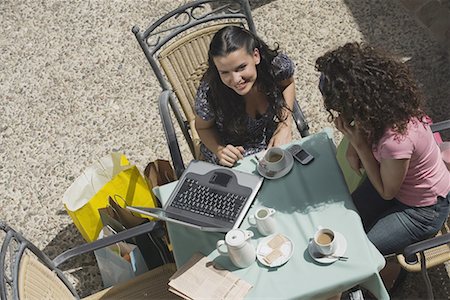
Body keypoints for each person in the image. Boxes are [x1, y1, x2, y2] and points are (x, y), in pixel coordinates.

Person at [315, 42, 450, 256]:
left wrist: (360, 146)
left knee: (359, 251)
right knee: (340, 223)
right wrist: (353, 145)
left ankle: (381, 278)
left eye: (340, 107)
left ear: (357, 104)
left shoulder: (396, 140)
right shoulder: (385, 104)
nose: (338, 111)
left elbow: (387, 192)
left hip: (423, 210)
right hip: (395, 182)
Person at [194, 26, 296, 167]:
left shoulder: (275, 67)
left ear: (256, 56)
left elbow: (287, 85)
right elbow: (203, 128)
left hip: (268, 140)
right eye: (224, 72)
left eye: (241, 67)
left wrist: (285, 124)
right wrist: (220, 150)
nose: (235, 79)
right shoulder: (210, 93)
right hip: (232, 152)